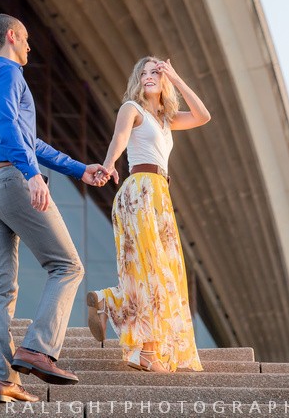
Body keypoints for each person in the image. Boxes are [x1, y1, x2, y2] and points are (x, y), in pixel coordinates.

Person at [0, 13, 110, 403]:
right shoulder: (10, 75)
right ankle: (38, 348)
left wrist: (79, 170)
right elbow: (13, 130)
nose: (30, 46)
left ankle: (2, 379)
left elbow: (29, 139)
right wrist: (31, 175)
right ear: (11, 37)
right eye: (26, 39)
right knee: (67, 266)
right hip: (10, 181)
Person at [87, 56, 210, 372]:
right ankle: (145, 346)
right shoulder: (132, 108)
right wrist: (110, 163)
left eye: (155, 72)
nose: (149, 77)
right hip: (140, 190)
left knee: (159, 271)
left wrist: (177, 76)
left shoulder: (167, 119)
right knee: (152, 269)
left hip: (160, 197)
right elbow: (120, 138)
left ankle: (126, 323)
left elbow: (203, 116)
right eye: (144, 73)